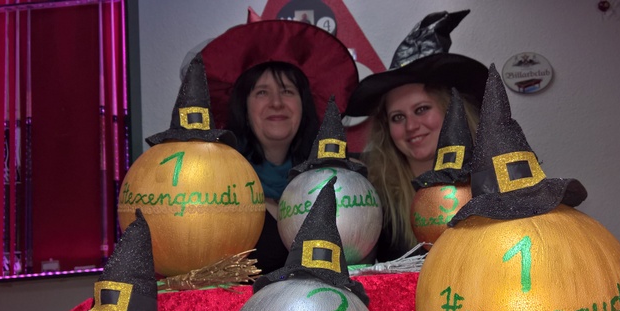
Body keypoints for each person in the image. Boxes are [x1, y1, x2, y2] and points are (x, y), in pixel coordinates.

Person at [197, 17, 358, 274]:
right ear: (244, 108)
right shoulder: (217, 185)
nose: (276, 103)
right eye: (262, 92)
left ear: (304, 106)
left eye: (287, 91)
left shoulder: (336, 180)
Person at [344, 10, 488, 262]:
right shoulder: (371, 192)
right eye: (397, 117)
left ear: (452, 112)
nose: (411, 126)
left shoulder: (490, 181)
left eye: (421, 109)